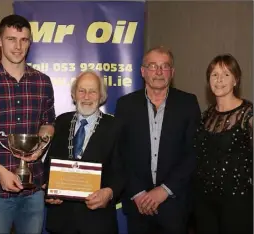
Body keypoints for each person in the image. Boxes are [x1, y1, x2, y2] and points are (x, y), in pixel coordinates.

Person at [0, 14, 55, 234]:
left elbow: (48, 123)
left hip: (33, 189)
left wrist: (41, 146)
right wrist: (0, 171)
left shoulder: (42, 82)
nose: (18, 46)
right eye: (11, 39)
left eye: (24, 40)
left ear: (30, 42)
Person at [114, 46, 201, 234]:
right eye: (153, 66)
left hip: (174, 205)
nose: (159, 72)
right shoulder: (125, 105)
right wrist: (138, 193)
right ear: (142, 71)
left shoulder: (188, 103)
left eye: (165, 66)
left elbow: (193, 153)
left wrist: (163, 191)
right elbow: (120, 154)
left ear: (173, 72)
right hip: (138, 204)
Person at [43, 70, 124, 234]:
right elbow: (48, 165)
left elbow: (124, 170)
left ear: (101, 96)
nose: (86, 97)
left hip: (98, 223)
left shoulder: (115, 126)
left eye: (93, 91)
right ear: (74, 95)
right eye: (82, 91)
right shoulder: (61, 122)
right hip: (62, 222)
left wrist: (109, 193)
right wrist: (48, 189)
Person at [193, 54, 253, 234]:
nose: (219, 80)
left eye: (226, 74)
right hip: (204, 204)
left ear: (236, 80)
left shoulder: (248, 115)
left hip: (237, 205)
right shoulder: (205, 116)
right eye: (214, 75)